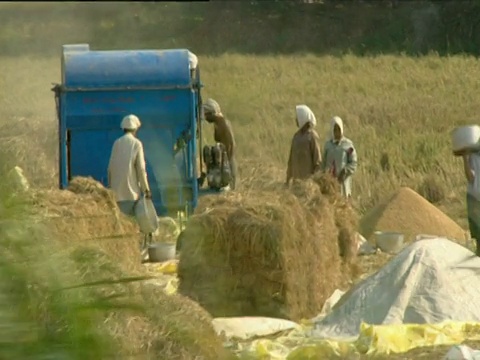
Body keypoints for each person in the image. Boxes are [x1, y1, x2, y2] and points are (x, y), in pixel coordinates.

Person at [108, 114, 151, 217]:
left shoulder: (116, 143)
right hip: (131, 195)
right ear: (135, 129)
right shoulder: (137, 144)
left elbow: (110, 168)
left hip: (116, 195)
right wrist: (146, 190)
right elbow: (141, 169)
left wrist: (110, 189)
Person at [202, 98, 238, 190]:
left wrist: (226, 166)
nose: (205, 118)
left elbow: (230, 145)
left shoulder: (223, 124)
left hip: (228, 164)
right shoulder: (218, 123)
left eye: (206, 114)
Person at [321, 116, 358, 199]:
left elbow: (353, 163)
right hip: (330, 184)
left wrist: (345, 171)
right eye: (335, 130)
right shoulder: (328, 145)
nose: (337, 132)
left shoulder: (348, 145)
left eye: (339, 129)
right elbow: (323, 163)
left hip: (343, 183)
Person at [286, 105, 322, 186]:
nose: (296, 120)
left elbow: (317, 160)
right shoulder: (296, 136)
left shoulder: (312, 136)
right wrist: (288, 178)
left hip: (308, 184)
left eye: (298, 117)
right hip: (296, 182)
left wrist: (315, 181)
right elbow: (291, 159)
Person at [461, 151, 480, 256]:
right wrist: (465, 158)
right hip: (474, 199)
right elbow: (470, 177)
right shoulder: (473, 156)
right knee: (478, 237)